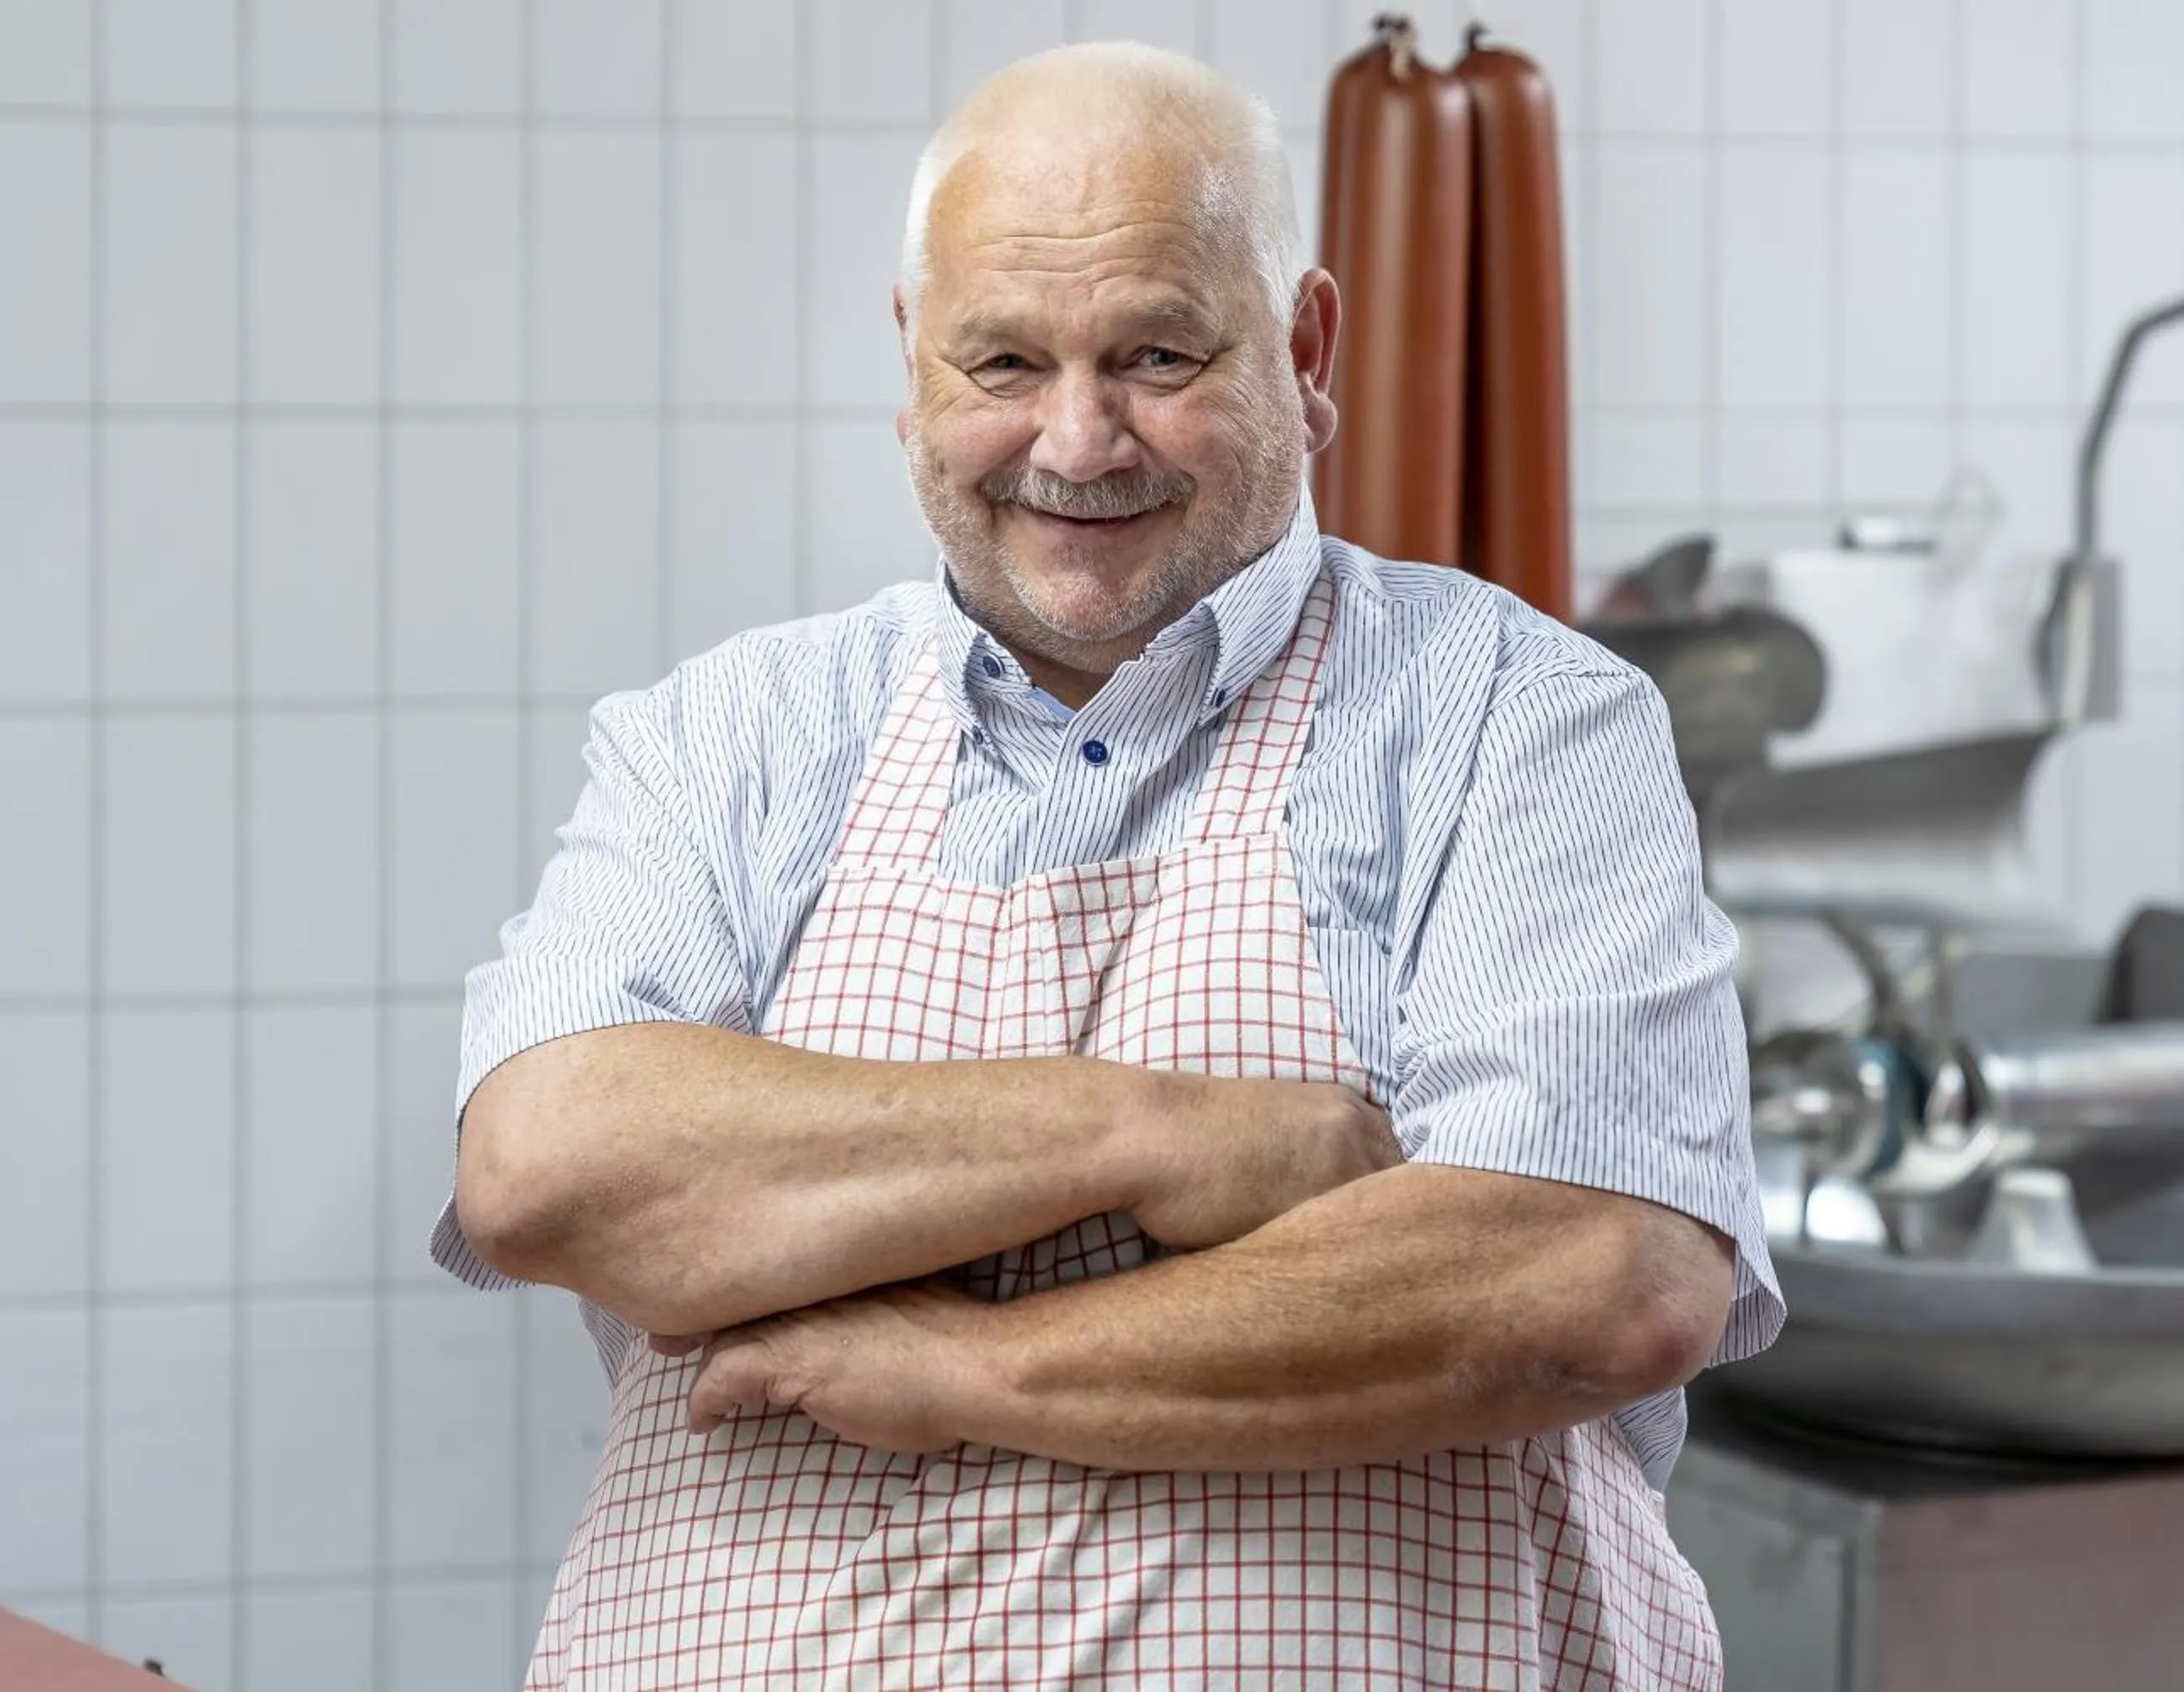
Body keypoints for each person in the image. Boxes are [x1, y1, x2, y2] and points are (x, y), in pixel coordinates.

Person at [432, 41, 1780, 1690]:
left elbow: (1596, 1271)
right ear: (911, 363)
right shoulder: (735, 733)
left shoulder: (1516, 720)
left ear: (1305, 348)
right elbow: (550, 1170)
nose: (1078, 441)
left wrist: (976, 1369)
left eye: (1156, 353)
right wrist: (1148, 1130)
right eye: (1003, 360)